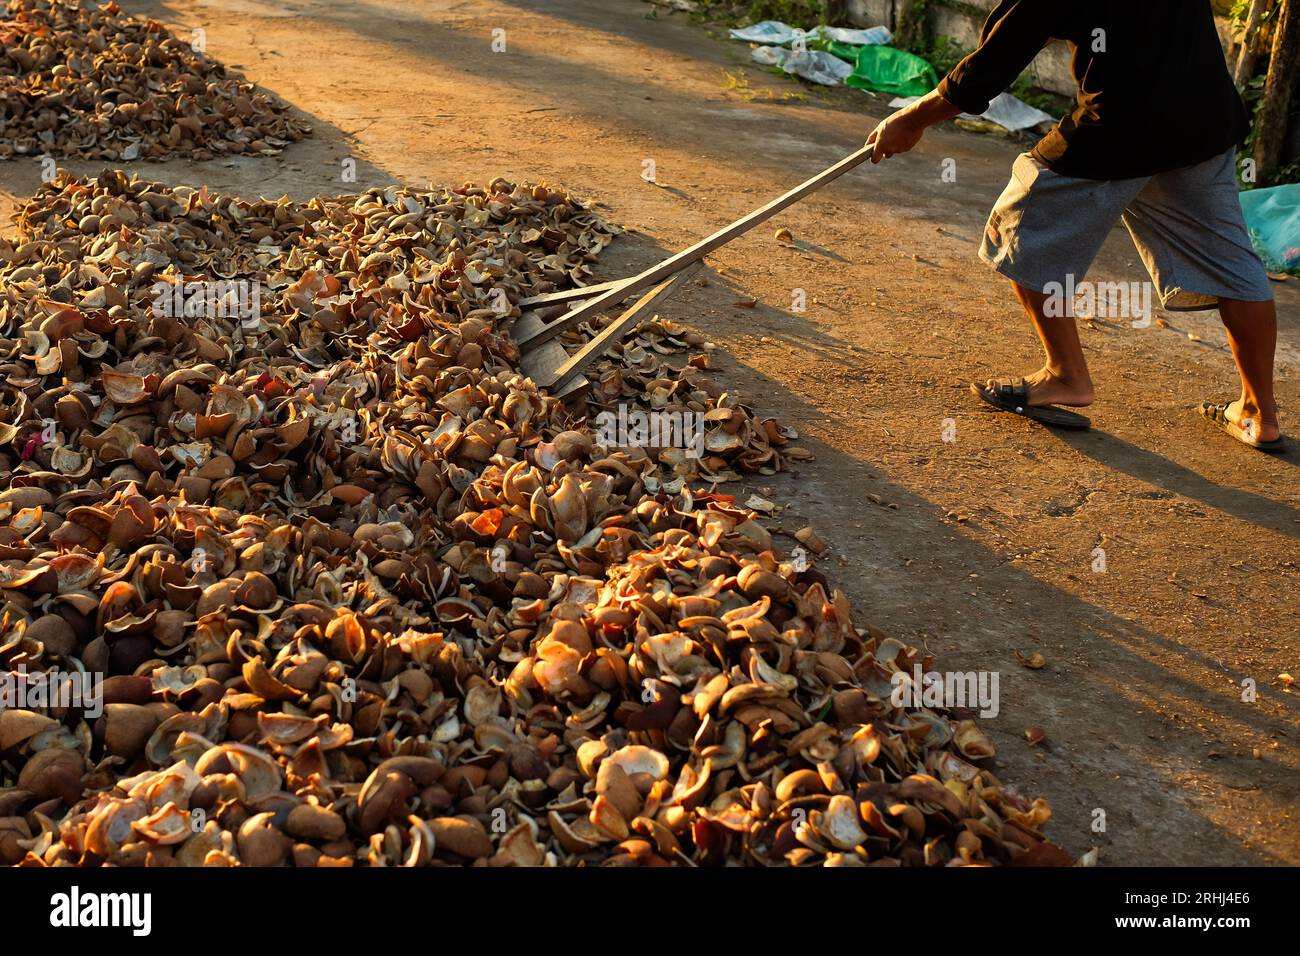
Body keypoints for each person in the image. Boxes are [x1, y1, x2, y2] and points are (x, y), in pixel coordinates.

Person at [866, 0, 1284, 451]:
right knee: (1229, 262)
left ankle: (1065, 375)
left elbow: (997, 59)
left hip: (1121, 126)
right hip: (1204, 121)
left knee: (1021, 228)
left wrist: (911, 120)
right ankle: (1259, 415)